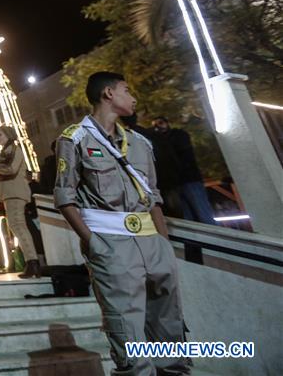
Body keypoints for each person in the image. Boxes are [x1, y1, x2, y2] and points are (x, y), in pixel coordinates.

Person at [54, 72, 190, 376]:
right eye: (127, 90)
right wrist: (93, 242)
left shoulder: (140, 142)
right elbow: (64, 196)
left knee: (168, 321)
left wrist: (164, 243)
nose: (133, 97)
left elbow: (153, 196)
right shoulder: (74, 138)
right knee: (126, 326)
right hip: (111, 243)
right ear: (108, 94)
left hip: (153, 242)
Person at [0, 126, 40, 278]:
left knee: (18, 226)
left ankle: (32, 262)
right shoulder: (7, 152)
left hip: (15, 192)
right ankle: (32, 263)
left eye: (0, 134)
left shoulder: (13, 150)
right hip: (10, 193)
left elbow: (10, 169)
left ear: (8, 135)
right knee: (17, 226)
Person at [153, 117, 215, 225]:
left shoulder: (178, 135)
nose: (158, 127)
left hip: (189, 180)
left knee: (202, 213)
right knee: (187, 219)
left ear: (167, 123)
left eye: (160, 123)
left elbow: (183, 154)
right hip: (176, 184)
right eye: (155, 125)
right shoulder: (161, 141)